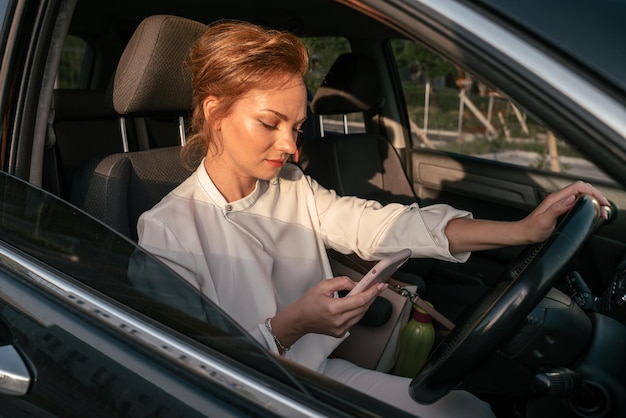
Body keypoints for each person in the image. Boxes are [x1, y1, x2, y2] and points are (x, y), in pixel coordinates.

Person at [136, 20, 610, 417]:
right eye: (269, 123)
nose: (290, 146)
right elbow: (192, 371)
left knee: (465, 411)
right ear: (216, 112)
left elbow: (382, 225)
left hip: (322, 374)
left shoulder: (292, 186)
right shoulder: (167, 231)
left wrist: (522, 230)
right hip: (255, 398)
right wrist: (292, 325)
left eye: (297, 127)